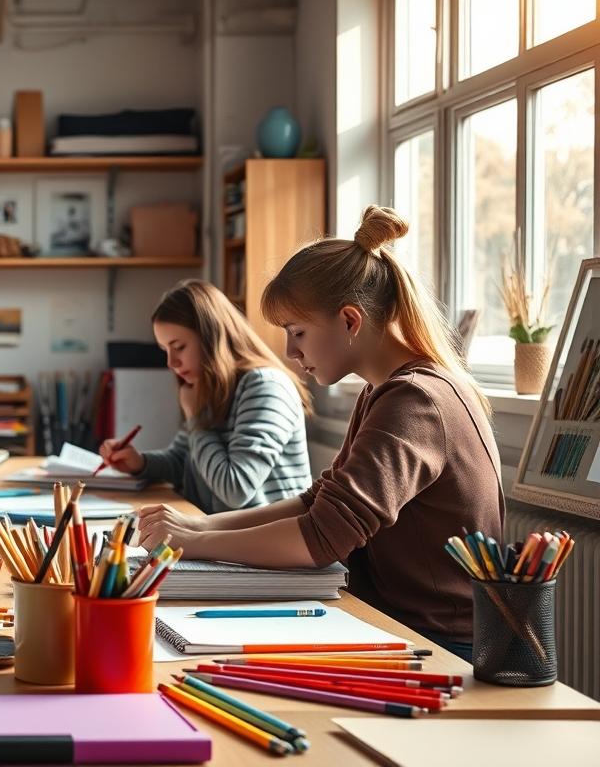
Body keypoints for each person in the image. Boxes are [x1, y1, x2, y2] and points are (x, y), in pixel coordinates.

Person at [137, 206, 503, 660]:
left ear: (350, 321)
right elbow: (318, 501)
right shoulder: (383, 391)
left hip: (439, 643)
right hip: (398, 622)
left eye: (298, 332)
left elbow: (320, 538)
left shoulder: (415, 401)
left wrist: (197, 541)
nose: (290, 351)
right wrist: (200, 525)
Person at [99, 279, 311, 512]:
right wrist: (140, 463)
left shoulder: (265, 386)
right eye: (165, 351)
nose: (171, 363)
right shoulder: (208, 386)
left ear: (212, 338)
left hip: (264, 541)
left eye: (179, 347)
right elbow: (185, 461)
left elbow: (236, 489)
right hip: (219, 533)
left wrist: (196, 420)